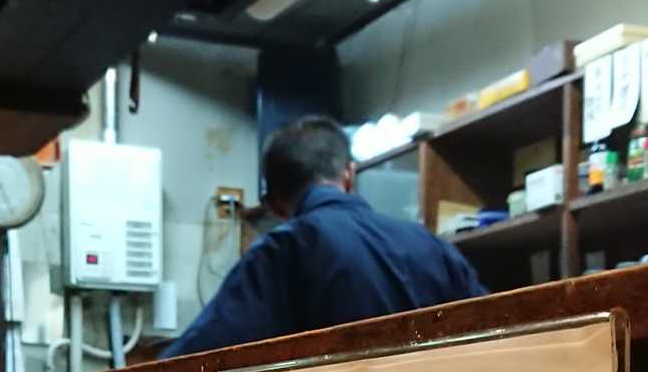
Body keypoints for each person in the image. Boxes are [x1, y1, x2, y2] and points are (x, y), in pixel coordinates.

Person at [160, 115, 486, 358]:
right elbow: (496, 332)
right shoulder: (432, 246)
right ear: (350, 175)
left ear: (273, 205)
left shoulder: (284, 250)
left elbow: (189, 360)